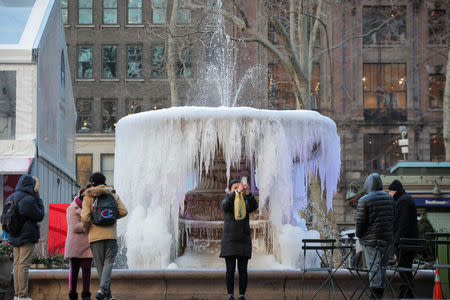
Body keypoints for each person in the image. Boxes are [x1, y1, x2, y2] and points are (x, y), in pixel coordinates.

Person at [81, 172, 128, 300]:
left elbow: (85, 217)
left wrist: (88, 227)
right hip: (111, 235)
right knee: (109, 263)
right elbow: (124, 211)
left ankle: (103, 290)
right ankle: (107, 294)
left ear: (92, 183)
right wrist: (111, 217)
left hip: (95, 236)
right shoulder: (112, 195)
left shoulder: (88, 196)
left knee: (101, 267)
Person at [355, 173, 394, 299]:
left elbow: (360, 222)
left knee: (374, 267)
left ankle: (375, 295)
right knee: (382, 266)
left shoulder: (364, 200)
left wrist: (359, 235)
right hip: (387, 239)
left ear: (368, 185)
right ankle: (380, 292)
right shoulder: (390, 198)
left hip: (371, 240)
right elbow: (393, 218)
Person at [7, 174, 45, 300]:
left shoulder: (11, 197)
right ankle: (22, 295)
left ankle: (17, 295)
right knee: (23, 265)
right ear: (31, 185)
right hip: (26, 235)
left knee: (17, 264)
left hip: (13, 233)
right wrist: (39, 199)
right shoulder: (29, 199)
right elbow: (39, 215)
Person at [220, 178, 258, 300]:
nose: (238, 189)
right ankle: (230, 295)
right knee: (230, 271)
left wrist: (247, 194)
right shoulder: (227, 201)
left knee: (243, 271)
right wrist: (236, 193)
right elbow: (226, 205)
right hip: (229, 241)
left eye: (239, 187)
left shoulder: (245, 202)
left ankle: (242, 296)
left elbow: (254, 206)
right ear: (230, 190)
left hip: (243, 241)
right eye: (235, 188)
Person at [388, 179, 418, 298]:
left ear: (394, 191)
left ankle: (405, 295)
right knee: (405, 269)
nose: (389, 194)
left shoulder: (403, 201)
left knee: (403, 269)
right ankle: (407, 294)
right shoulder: (404, 198)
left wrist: (396, 243)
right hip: (408, 241)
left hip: (406, 242)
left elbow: (402, 224)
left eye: (389, 191)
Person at [65, 186, 93, 300]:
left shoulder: (92, 207)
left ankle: (86, 295)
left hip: (87, 245)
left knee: (87, 272)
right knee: (74, 272)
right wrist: (91, 224)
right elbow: (74, 227)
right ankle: (73, 295)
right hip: (75, 245)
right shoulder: (72, 208)